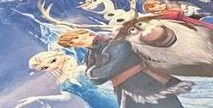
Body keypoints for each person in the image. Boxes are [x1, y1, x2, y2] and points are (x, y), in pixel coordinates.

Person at [56, 29, 191, 107]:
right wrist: (94, 72)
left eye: (75, 38)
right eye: (71, 44)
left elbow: (111, 68)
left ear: (85, 33)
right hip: (123, 90)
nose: (76, 42)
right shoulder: (89, 56)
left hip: (145, 83)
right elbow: (97, 81)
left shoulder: (114, 41)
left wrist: (91, 71)